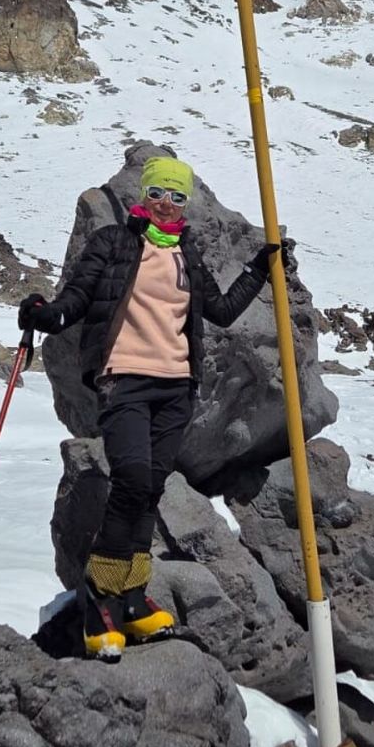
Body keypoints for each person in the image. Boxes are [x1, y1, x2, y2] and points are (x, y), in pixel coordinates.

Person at [19, 155, 290, 660]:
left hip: (175, 390)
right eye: (158, 194)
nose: (166, 203)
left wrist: (260, 269)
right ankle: (100, 601)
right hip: (123, 381)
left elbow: (224, 311)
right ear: (142, 197)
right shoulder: (115, 244)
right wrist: (45, 314)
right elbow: (77, 298)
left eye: (177, 196)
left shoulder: (187, 256)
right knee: (131, 483)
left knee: (149, 493)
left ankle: (132, 598)